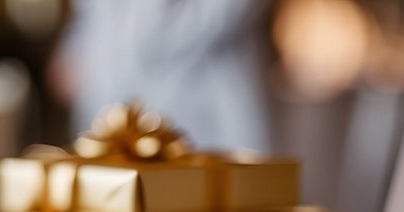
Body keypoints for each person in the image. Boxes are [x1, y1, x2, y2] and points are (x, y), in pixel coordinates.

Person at [52, 0, 274, 151]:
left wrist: (146, 35)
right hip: (109, 96)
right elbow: (93, 12)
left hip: (200, 93)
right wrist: (75, 49)